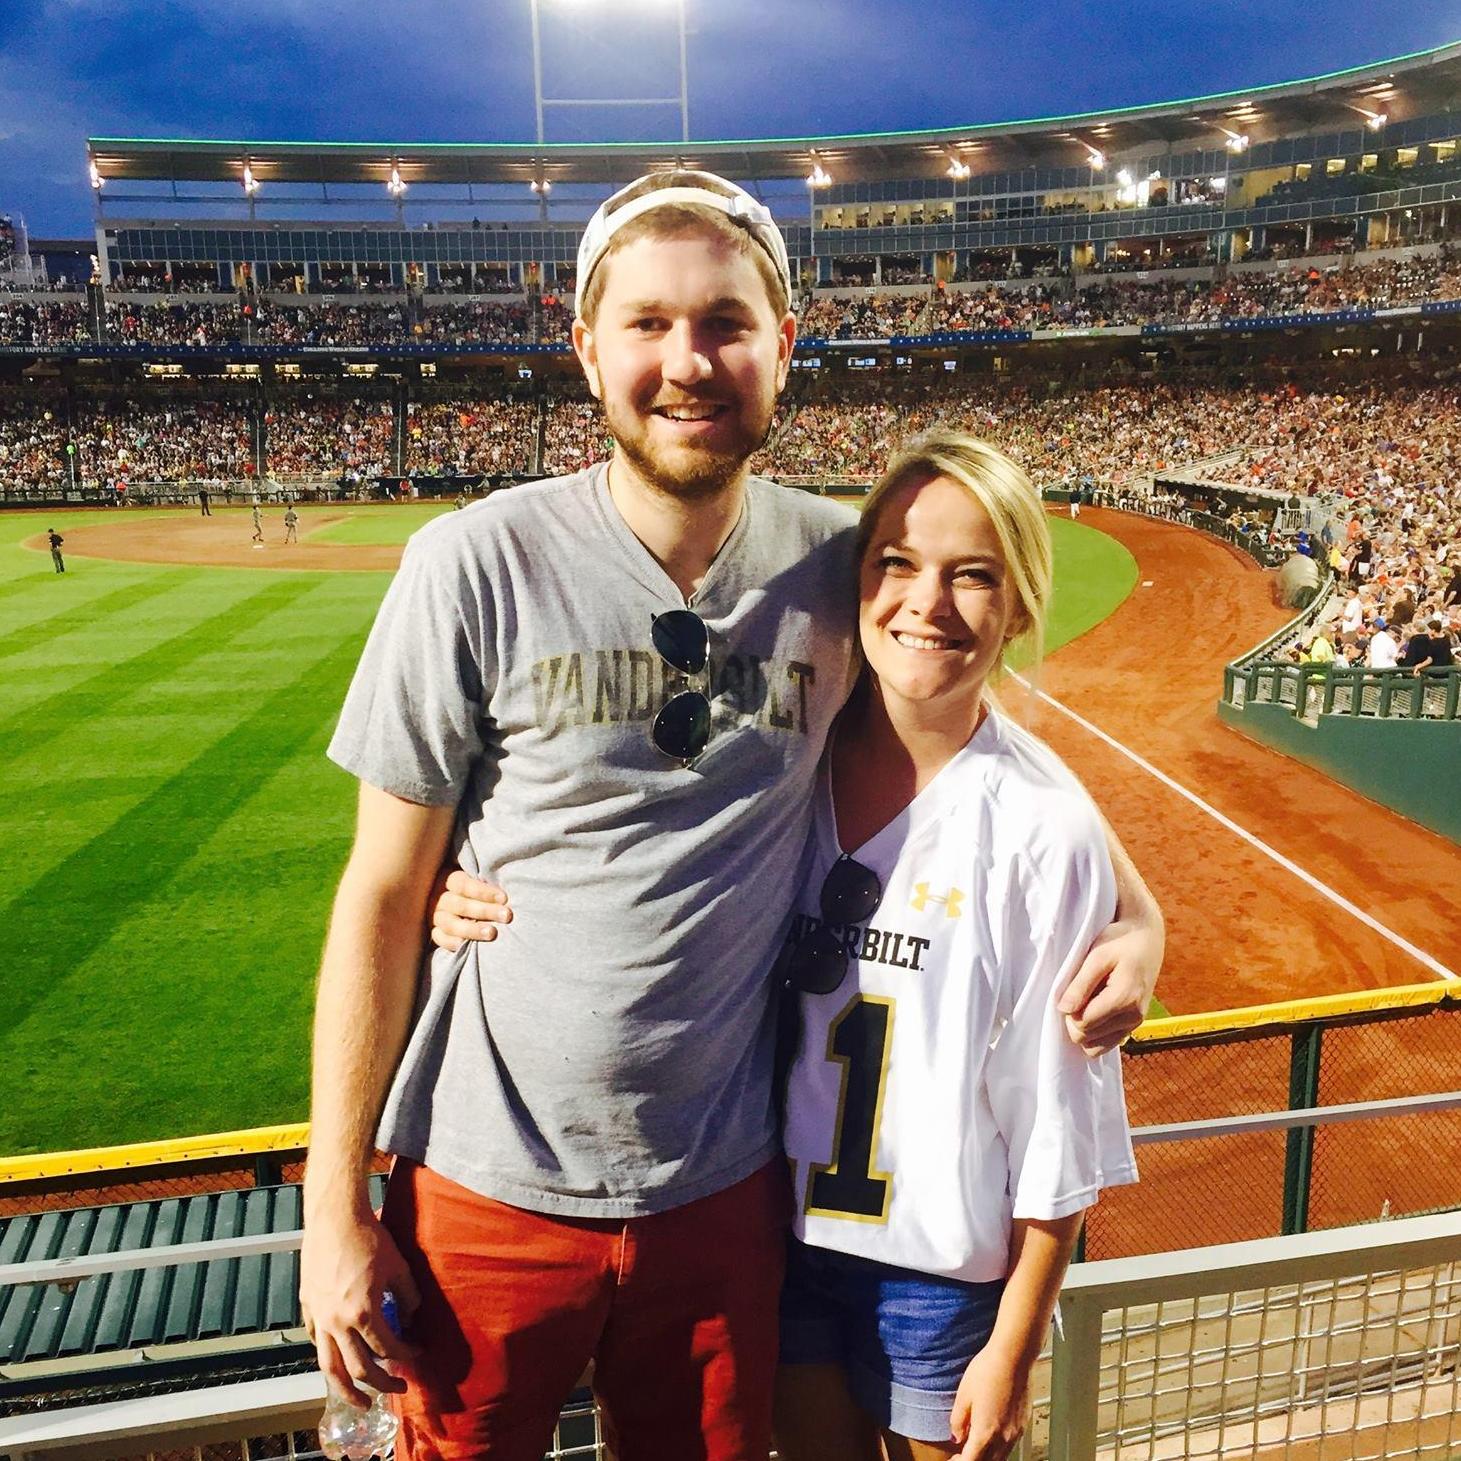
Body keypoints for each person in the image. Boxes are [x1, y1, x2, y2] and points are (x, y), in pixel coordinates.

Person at [301, 170, 1163, 1461]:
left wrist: (1135, 909)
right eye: (646, 323)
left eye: (723, 323)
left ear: (783, 349)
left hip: (728, 1192)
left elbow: (961, 721)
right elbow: (378, 890)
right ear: (584, 345)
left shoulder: (841, 565)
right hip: (484, 1184)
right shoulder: (468, 564)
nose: (686, 360)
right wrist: (330, 1205)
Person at [772, 431, 1136, 1460]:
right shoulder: (786, 768)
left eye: (972, 576)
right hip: (785, 1242)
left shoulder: (1042, 829)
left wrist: (1015, 1341)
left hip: (940, 1275)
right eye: (896, 563)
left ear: (1016, 605)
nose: (925, 604)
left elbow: (1055, 1111)